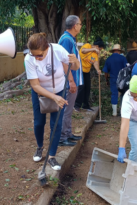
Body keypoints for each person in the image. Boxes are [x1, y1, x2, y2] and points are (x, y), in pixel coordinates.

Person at [24, 33, 80, 170]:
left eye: (40, 55)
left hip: (59, 90)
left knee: (56, 124)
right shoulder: (29, 59)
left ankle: (52, 156)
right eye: (34, 55)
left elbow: (75, 67)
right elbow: (35, 85)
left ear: (47, 48)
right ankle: (39, 147)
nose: (36, 58)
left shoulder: (58, 50)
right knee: (38, 122)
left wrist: (76, 61)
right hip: (40, 93)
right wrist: (53, 97)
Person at [58, 15, 83, 147]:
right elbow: (64, 62)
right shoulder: (66, 40)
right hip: (69, 82)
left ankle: (68, 133)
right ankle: (62, 137)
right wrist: (71, 81)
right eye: (79, 24)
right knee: (66, 109)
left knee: (69, 109)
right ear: (75, 26)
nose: (80, 26)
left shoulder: (70, 39)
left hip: (72, 80)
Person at [74, 37, 104, 111]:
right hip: (80, 70)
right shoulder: (87, 46)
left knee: (87, 87)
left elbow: (95, 62)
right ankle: (77, 105)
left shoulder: (95, 54)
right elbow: (83, 51)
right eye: (100, 49)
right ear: (97, 46)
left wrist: (98, 70)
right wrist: (93, 49)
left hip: (87, 71)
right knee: (81, 87)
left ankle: (85, 105)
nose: (100, 51)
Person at [103, 44, 128, 116]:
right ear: (119, 51)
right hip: (122, 79)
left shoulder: (109, 59)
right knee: (123, 94)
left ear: (113, 51)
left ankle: (114, 112)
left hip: (113, 78)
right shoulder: (123, 58)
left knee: (114, 94)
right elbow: (126, 69)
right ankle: (122, 111)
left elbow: (106, 72)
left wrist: (107, 80)